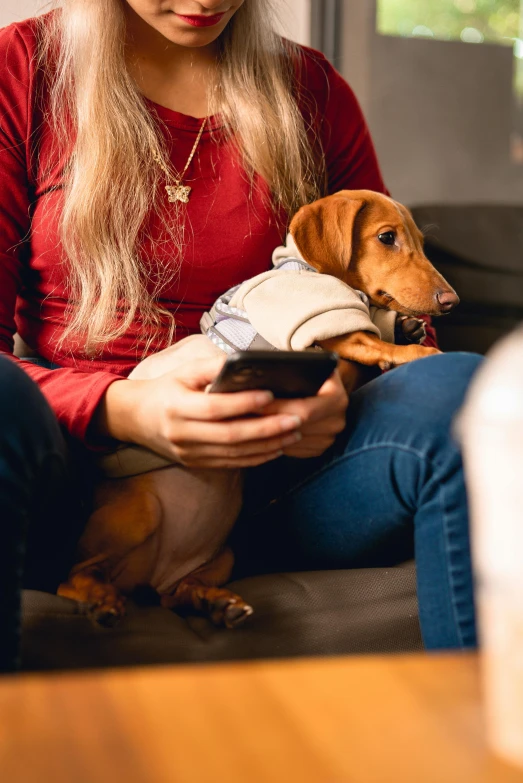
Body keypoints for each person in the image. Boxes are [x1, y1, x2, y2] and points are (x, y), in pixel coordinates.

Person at [0, 0, 481, 672]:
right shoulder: (20, 72)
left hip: (270, 480)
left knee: (460, 393)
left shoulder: (312, 92)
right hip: (80, 483)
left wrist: (334, 386)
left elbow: (398, 309)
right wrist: (123, 409)